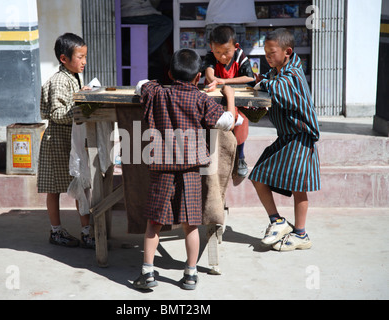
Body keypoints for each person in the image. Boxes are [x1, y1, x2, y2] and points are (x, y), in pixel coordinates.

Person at [133, 49, 238, 290]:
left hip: (162, 168)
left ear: (169, 73)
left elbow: (141, 84)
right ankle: (190, 274)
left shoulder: (157, 92)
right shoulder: (201, 100)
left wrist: (157, 83)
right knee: (191, 224)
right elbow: (227, 122)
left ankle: (147, 273)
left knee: (154, 223)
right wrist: (228, 95)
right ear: (199, 77)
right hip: (191, 169)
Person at [249, 28, 321, 251]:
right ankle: (278, 221)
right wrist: (263, 80)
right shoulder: (278, 71)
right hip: (286, 138)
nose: (267, 57)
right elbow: (272, 83)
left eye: (271, 53)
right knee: (258, 175)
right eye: (265, 53)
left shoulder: (293, 74)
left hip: (300, 138)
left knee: (300, 187)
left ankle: (301, 234)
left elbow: (281, 88)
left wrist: (263, 84)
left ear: (287, 51)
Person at [38, 33, 95, 249]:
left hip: (72, 140)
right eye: (80, 57)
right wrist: (82, 105)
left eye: (84, 56)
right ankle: (56, 231)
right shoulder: (60, 80)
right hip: (58, 142)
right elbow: (57, 114)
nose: (84, 61)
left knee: (81, 183)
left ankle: (87, 230)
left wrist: (83, 95)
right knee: (55, 188)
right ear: (64, 58)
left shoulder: (73, 76)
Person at [204, 25, 255, 177]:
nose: (223, 57)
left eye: (227, 52)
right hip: (216, 100)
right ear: (212, 48)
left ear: (235, 47)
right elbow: (209, 75)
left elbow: (250, 77)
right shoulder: (211, 56)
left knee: (240, 123)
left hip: (237, 98)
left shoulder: (240, 56)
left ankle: (240, 156)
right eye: (218, 52)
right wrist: (215, 80)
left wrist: (225, 81)